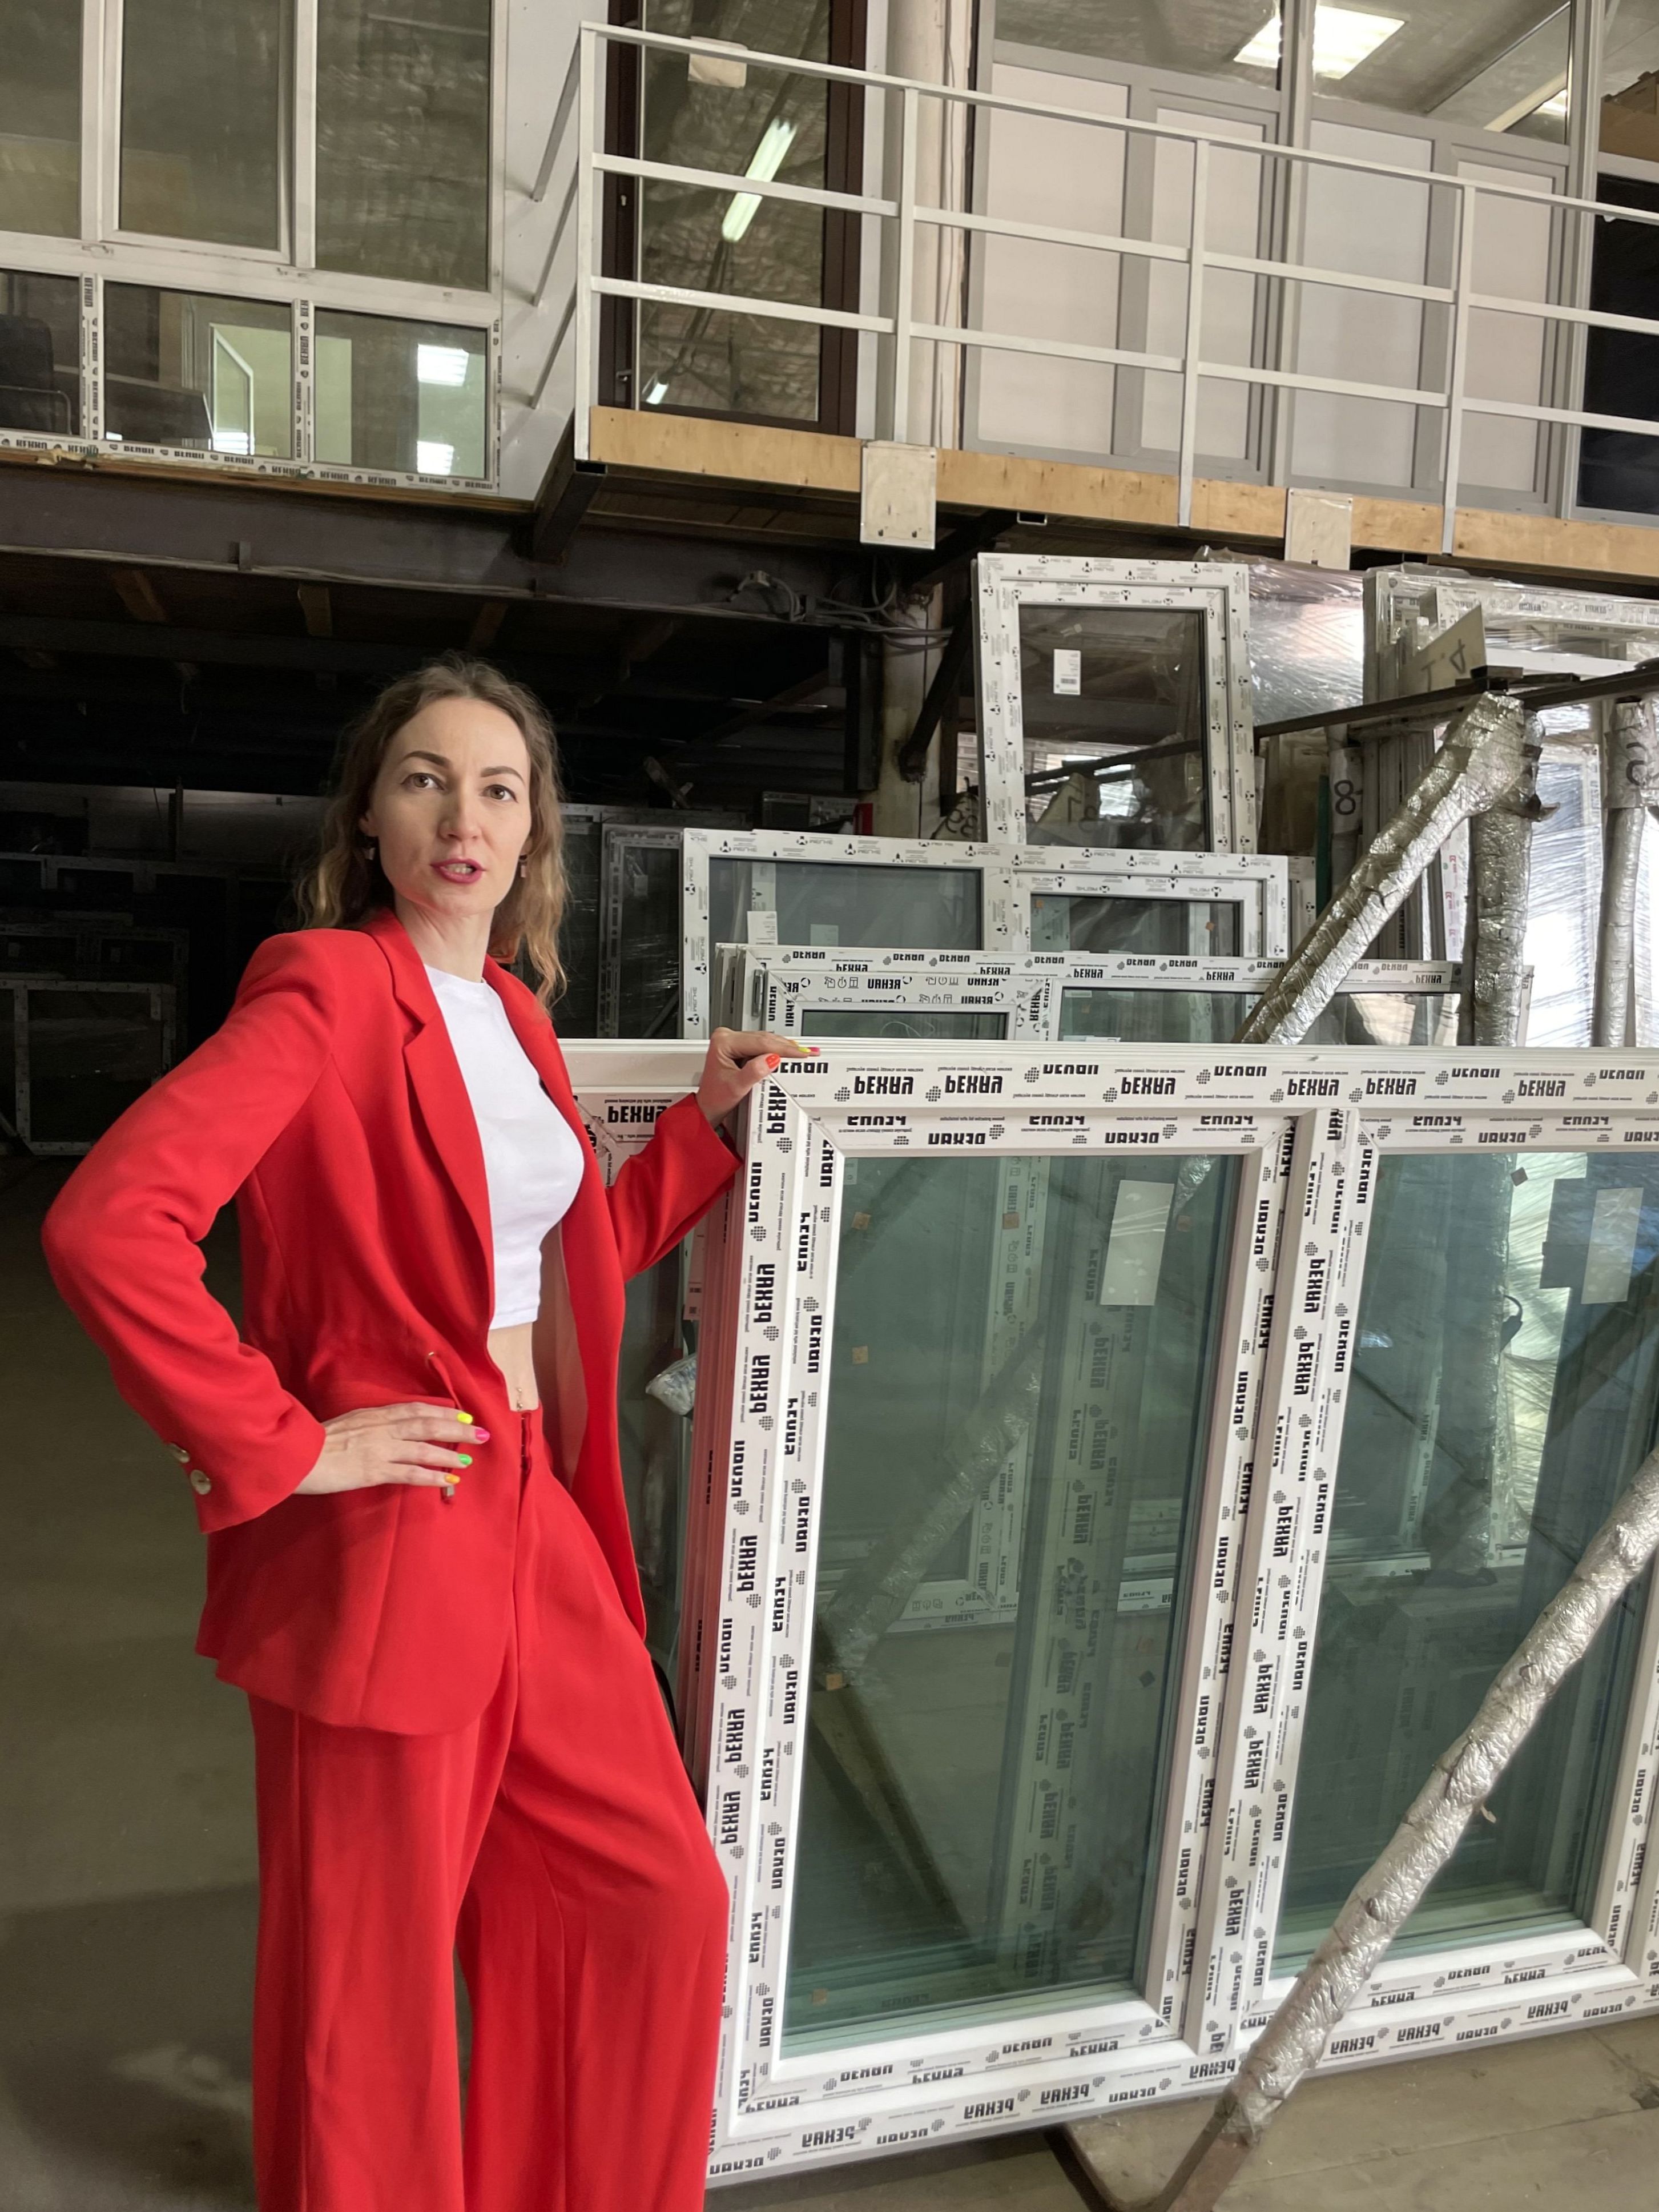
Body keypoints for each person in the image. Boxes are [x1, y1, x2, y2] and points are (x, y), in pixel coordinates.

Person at [42, 656, 800, 2212]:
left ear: (533, 839)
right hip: (394, 1529)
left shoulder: (514, 1016)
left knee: (649, 1894)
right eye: (425, 780)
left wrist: (699, 1137)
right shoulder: (324, 993)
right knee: (368, 1986)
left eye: (499, 789)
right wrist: (285, 1442)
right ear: (370, 824)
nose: (465, 817)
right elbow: (110, 1224)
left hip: (533, 1509)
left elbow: (553, 1262)